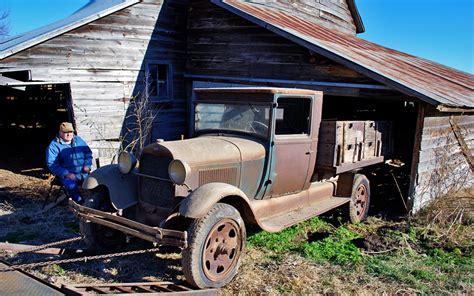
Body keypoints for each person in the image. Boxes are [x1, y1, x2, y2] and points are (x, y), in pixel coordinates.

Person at [46, 122, 93, 203]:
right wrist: (66, 173)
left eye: (70, 132)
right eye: (65, 132)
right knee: (70, 185)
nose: (69, 135)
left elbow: (88, 153)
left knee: (95, 183)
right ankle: (80, 203)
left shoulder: (78, 140)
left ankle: (96, 202)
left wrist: (87, 165)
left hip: (83, 172)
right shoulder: (54, 146)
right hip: (67, 174)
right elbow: (52, 164)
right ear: (60, 132)